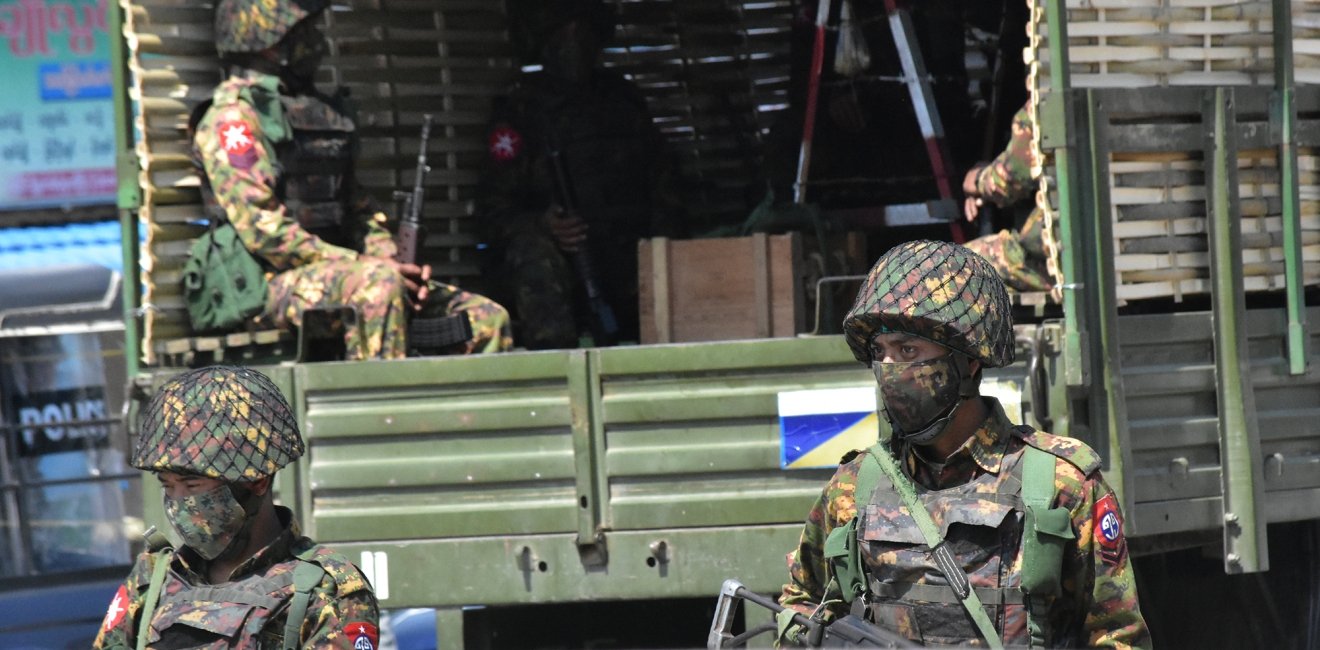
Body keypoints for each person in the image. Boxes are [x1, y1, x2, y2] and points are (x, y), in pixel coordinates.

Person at [778, 240, 1150, 647]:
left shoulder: (1060, 483)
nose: (889, 369)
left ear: (967, 361)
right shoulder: (856, 485)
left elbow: (1117, 635)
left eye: (907, 350)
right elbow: (804, 604)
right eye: (880, 352)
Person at [193, 0, 512, 359]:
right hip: (264, 288)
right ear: (269, 41)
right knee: (378, 287)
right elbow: (264, 231)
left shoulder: (310, 112)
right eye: (304, 31)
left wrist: (392, 260)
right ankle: (385, 412)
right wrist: (368, 267)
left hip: (342, 276)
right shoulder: (233, 119)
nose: (316, 41)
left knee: (485, 318)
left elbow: (358, 208)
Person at [93, 365, 379, 648]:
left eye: (192, 485)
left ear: (257, 482)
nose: (178, 501)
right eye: (167, 486)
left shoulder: (327, 589)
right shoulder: (152, 580)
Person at [477, 0, 682, 349]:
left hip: (627, 253)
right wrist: (546, 225)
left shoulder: (622, 101)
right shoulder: (521, 110)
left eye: (582, 29)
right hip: (565, 265)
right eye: (563, 31)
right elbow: (492, 218)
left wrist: (659, 251)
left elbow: (666, 187)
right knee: (532, 252)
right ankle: (556, 368)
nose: (574, 42)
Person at [962, 102, 1055, 292]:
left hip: (1057, 251)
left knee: (949, 270)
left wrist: (978, 179)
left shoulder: (1047, 101)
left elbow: (1009, 178)